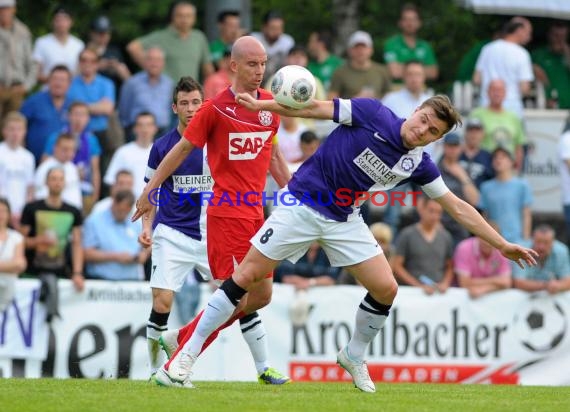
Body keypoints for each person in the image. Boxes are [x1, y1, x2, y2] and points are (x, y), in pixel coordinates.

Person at [135, 87, 538, 392]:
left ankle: (353, 354)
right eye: (423, 120)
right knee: (246, 279)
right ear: (415, 111)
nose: (423, 130)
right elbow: (313, 108)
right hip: (303, 204)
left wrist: (501, 243)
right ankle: (183, 357)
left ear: (436, 138)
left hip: (345, 219)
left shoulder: (418, 161)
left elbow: (456, 205)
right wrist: (264, 106)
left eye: (433, 131)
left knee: (386, 287)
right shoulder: (372, 113)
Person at [133, 37, 292, 387]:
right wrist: (151, 188)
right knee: (236, 294)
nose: (260, 70)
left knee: (261, 297)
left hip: (256, 215)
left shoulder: (270, 106)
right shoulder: (214, 109)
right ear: (233, 66)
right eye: (252, 64)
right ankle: (177, 364)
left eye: (263, 63)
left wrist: (297, 195)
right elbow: (180, 149)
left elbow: (275, 158)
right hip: (226, 215)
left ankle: (181, 337)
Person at [138, 76, 212, 377]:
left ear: (203, 104)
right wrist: (146, 226)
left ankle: (263, 366)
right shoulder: (162, 147)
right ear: (175, 107)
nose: (191, 108)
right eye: (185, 103)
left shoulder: (215, 143)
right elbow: (149, 191)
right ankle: (156, 370)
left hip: (211, 233)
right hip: (172, 231)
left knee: (239, 298)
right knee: (163, 300)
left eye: (196, 102)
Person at [20, 167, 84, 321]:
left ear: (65, 183)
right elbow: (19, 242)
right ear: (46, 182)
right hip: (32, 271)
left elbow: (77, 244)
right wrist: (38, 241)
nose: (57, 183)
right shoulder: (31, 208)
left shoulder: (73, 211)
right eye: (53, 179)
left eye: (60, 179)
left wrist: (77, 273)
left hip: (61, 271)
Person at [126, 1, 214, 83]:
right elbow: (133, 47)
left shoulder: (199, 37)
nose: (184, 20)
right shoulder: (162, 36)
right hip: (166, 93)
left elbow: (208, 69)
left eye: (188, 16)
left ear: (194, 18)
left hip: (190, 94)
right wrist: (152, 69)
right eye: (180, 15)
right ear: (172, 17)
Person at [43, 101, 102, 212]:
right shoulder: (56, 137)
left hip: (85, 190)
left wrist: (95, 196)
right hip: (60, 189)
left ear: (88, 118)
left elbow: (95, 170)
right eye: (76, 114)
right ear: (68, 116)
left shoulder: (92, 140)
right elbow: (46, 164)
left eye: (83, 115)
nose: (78, 119)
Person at [473, 17, 534, 119]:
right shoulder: (522, 54)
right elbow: (524, 88)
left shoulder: (487, 49)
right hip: (511, 107)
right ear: (519, 30)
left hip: (487, 105)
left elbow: (477, 79)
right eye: (528, 32)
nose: (530, 37)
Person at [392, 196, 455, 293]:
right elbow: (397, 266)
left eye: (439, 212)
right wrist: (418, 286)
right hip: (412, 293)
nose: (435, 216)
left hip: (438, 293)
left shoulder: (446, 236)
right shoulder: (407, 234)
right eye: (431, 211)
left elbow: (450, 266)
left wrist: (445, 283)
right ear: (422, 209)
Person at [83, 190, 148, 281]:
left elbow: (147, 245)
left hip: (132, 282)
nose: (123, 214)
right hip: (101, 281)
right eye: (120, 210)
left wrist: (143, 255)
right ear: (114, 203)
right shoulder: (94, 221)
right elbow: (87, 254)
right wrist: (116, 257)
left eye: (126, 211)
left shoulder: (136, 222)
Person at [469, 79, 526, 172]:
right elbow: (469, 142)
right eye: (493, 90)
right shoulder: (477, 115)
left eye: (500, 90)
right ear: (487, 92)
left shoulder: (514, 117)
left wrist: (516, 169)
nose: (497, 93)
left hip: (507, 169)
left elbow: (519, 146)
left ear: (505, 93)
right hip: (484, 167)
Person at [20, 65, 74, 164]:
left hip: (64, 165)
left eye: (62, 80)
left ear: (69, 84)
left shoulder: (73, 106)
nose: (58, 83)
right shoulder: (33, 102)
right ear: (48, 81)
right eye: (55, 79)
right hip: (34, 161)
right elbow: (20, 128)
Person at [479, 147, 532, 243]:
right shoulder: (486, 187)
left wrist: (526, 240)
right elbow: (484, 216)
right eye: (495, 157)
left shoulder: (522, 185)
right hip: (494, 241)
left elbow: (526, 215)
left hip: (516, 240)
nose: (498, 160)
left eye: (503, 157)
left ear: (511, 162)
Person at [118, 47, 173, 138]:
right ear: (145, 62)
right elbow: (124, 111)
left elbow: (172, 111)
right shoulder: (132, 83)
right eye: (150, 59)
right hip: (137, 133)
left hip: (163, 133)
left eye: (158, 60)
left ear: (163, 63)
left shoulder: (169, 84)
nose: (154, 63)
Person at [437, 132, 479, 246]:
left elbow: (475, 200)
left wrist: (462, 176)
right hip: (439, 225)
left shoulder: (465, 170)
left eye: (455, 146)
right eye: (450, 146)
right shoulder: (435, 169)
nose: (452, 149)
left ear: (460, 148)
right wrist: (435, 223)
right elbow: (423, 200)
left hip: (460, 226)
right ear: (444, 147)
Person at [103, 112, 156, 198]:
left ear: (155, 128)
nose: (145, 129)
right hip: (127, 206)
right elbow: (112, 182)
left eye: (148, 125)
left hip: (154, 205)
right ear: (135, 129)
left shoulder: (162, 153)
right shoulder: (123, 152)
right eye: (141, 125)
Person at [454, 221, 512, 299]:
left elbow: (506, 282)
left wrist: (484, 289)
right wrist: (496, 281)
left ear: (498, 240)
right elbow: (464, 283)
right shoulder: (464, 248)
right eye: (485, 238)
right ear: (478, 235)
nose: (487, 242)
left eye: (491, 240)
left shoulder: (502, 251)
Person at [0, 0, 37, 120]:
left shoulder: (23, 32)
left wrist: (26, 86)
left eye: (7, 8)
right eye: (1, 9)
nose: (4, 12)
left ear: (14, 9)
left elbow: (31, 63)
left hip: (16, 89)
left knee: (13, 127)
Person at [328, 30, 391, 100]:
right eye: (356, 47)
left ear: (371, 50)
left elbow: (390, 97)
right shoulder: (340, 72)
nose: (360, 51)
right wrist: (355, 100)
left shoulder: (382, 71)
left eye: (364, 47)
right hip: (350, 110)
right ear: (349, 50)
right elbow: (331, 100)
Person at [383, 3, 438, 82]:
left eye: (413, 19)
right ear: (400, 23)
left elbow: (433, 73)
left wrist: (403, 68)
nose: (410, 23)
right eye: (406, 19)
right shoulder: (391, 44)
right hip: (397, 89)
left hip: (421, 89)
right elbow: (394, 72)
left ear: (419, 23)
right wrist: (421, 70)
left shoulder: (426, 46)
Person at [0, 112, 35, 229]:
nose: (15, 133)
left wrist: (24, 211)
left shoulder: (28, 157)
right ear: (4, 131)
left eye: (19, 129)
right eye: (11, 129)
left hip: (20, 214)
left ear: (24, 132)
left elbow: (30, 188)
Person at [32, 6, 84, 84]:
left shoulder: (79, 45)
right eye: (58, 20)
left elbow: (82, 72)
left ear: (71, 22)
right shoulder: (41, 42)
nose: (61, 23)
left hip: (73, 91)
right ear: (52, 22)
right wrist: (56, 81)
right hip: (48, 90)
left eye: (65, 20)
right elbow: (35, 73)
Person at [513, 225, 570, 294]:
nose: (541, 247)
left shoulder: (561, 250)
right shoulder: (521, 250)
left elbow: (568, 281)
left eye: (546, 242)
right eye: (538, 242)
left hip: (552, 295)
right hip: (525, 295)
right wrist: (546, 285)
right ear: (532, 239)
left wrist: (558, 286)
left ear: (553, 242)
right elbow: (518, 283)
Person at [86, 15, 131, 98]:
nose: (104, 36)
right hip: (90, 96)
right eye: (100, 33)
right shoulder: (85, 51)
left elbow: (129, 80)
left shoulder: (115, 52)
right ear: (92, 34)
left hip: (113, 97)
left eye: (107, 33)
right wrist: (97, 66)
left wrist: (118, 68)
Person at [35, 133, 82, 210]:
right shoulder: (45, 168)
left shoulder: (72, 167)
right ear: (55, 148)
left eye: (72, 150)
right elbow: (41, 196)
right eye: (65, 149)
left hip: (74, 213)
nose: (69, 153)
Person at [532, 20, 570, 109]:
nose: (559, 40)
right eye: (556, 36)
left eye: (563, 37)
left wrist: (566, 53)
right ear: (549, 35)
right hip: (547, 102)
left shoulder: (567, 54)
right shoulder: (539, 54)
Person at [251, 10, 295, 82]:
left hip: (280, 81)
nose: (277, 31)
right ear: (264, 27)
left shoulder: (287, 42)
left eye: (279, 28)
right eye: (273, 28)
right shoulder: (253, 39)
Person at [0, 197, 26, 312]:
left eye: (4, 211)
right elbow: (15, 264)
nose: (1, 215)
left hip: (8, 291)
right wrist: (9, 266)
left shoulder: (16, 237)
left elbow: (20, 265)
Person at [458, 118, 494, 189]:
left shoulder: (488, 156)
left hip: (480, 197)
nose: (474, 134)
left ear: (483, 134)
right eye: (471, 130)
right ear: (465, 133)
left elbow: (493, 181)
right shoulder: (455, 153)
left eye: (477, 131)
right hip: (454, 196)